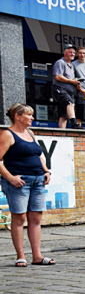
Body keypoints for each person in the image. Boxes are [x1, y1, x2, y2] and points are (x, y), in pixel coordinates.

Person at [0, 104, 54, 266]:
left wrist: (46, 171)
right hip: (19, 182)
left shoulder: (30, 133)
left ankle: (37, 256)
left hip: (38, 180)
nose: (32, 118)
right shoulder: (7, 135)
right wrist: (11, 178)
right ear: (17, 116)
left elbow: (38, 155)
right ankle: (20, 256)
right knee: (19, 217)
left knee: (36, 218)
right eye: (29, 115)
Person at [51, 44, 82, 130]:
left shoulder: (71, 66)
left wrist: (77, 84)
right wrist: (72, 81)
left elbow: (71, 80)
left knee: (63, 113)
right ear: (65, 52)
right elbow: (57, 77)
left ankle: (62, 132)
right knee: (70, 103)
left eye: (73, 52)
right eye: (70, 52)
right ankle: (74, 123)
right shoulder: (60, 62)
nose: (72, 54)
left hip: (70, 91)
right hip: (60, 88)